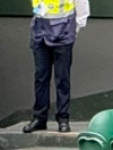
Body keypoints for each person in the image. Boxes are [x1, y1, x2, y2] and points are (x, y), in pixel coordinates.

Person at [23, 0, 91, 134]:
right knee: (40, 77)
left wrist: (75, 29)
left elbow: (82, 5)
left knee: (62, 78)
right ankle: (39, 118)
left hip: (63, 32)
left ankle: (63, 119)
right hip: (40, 31)